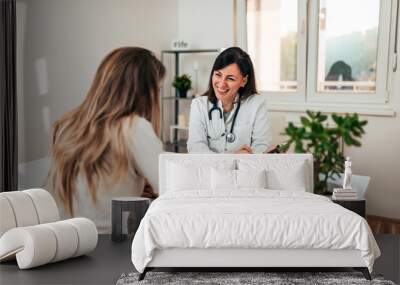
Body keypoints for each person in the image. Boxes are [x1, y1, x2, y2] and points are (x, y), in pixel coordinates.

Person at [46, 47, 165, 233]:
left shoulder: (67, 125)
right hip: (111, 244)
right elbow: (171, 188)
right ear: (144, 91)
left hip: (67, 240)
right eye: (157, 89)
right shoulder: (134, 127)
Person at [187, 47, 272, 154]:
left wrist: (247, 157)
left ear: (244, 81)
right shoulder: (199, 105)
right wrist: (232, 157)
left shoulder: (257, 104)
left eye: (230, 78)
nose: (222, 84)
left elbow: (262, 145)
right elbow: (196, 147)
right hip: (210, 170)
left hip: (245, 169)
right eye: (218, 75)